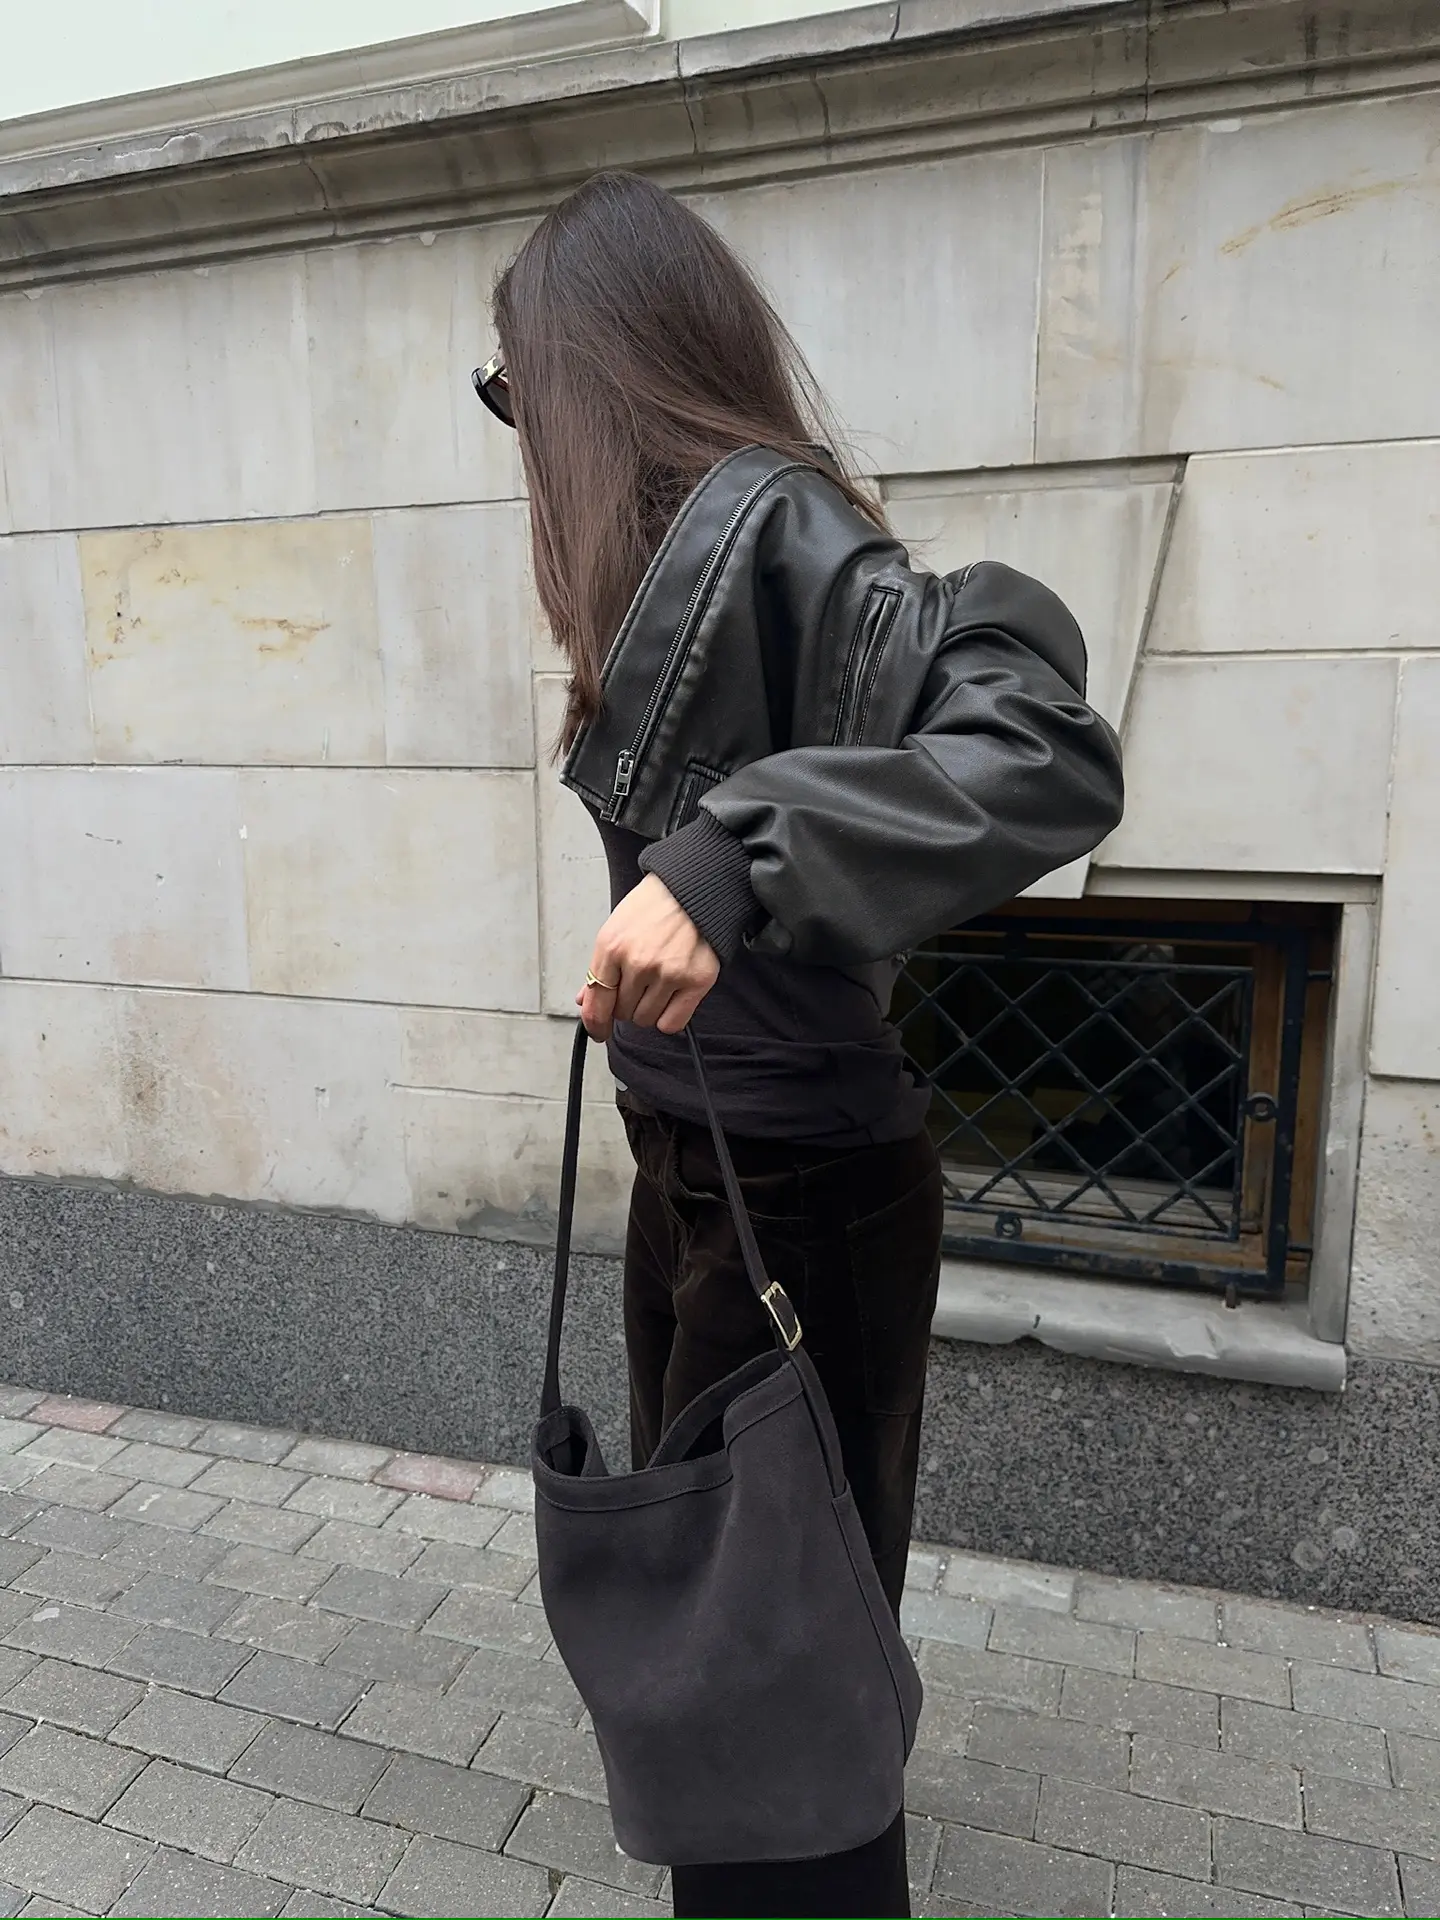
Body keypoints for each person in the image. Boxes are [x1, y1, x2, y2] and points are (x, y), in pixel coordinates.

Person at [477, 169, 1124, 1920]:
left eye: (517, 387)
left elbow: (1045, 741)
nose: (517, 431)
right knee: (737, 1626)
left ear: (591, 372)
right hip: (698, 1168)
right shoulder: (680, 560)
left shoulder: (771, 526)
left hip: (804, 1187)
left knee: (778, 1670)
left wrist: (730, 856)